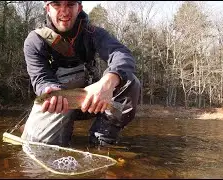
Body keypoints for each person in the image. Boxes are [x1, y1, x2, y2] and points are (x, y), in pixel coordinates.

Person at [21, 1, 140, 147]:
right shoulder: (35, 40)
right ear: (47, 8)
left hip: (94, 102)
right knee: (38, 147)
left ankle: (102, 137)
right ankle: (61, 134)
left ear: (79, 8)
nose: (64, 12)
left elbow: (121, 54)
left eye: (70, 4)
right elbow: (40, 78)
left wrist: (107, 82)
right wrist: (48, 88)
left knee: (131, 81)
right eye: (57, 4)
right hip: (58, 104)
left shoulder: (94, 33)